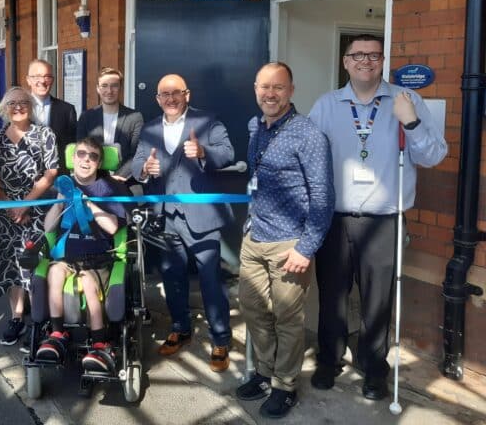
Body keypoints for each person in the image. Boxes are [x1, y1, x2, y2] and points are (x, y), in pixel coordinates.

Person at [309, 35, 447, 400]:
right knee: (332, 296)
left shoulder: (407, 100)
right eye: (358, 55)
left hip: (385, 221)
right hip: (335, 220)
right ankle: (329, 359)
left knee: (377, 301)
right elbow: (307, 158)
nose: (365, 61)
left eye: (373, 55)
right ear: (346, 61)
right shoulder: (326, 105)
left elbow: (434, 156)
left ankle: (373, 368)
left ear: (383, 60)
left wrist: (412, 123)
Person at [235, 62, 334, 418]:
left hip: (289, 244)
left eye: (278, 87)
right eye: (264, 87)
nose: (270, 94)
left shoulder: (308, 135)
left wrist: (306, 248)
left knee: (287, 319)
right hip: (254, 238)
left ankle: (285, 385)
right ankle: (264, 371)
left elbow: (323, 197)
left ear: (291, 90)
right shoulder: (254, 127)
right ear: (255, 89)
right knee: (254, 310)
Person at [131, 74, 235, 372]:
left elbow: (227, 153)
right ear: (157, 98)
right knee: (172, 277)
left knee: (210, 279)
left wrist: (203, 152)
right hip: (165, 216)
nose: (171, 98)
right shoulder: (150, 128)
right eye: (165, 94)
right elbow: (138, 161)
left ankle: (220, 339)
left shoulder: (207, 121)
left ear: (187, 94)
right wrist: (144, 169)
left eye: (177, 92)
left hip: (201, 216)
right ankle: (181, 328)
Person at [35, 137, 128, 373]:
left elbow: (113, 228)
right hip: (67, 257)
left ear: (99, 162)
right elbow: (48, 229)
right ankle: (57, 333)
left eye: (93, 156)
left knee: (87, 281)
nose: (86, 159)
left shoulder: (109, 189)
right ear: (73, 158)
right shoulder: (63, 186)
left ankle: (100, 343)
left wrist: (91, 206)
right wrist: (59, 203)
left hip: (97, 258)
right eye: (81, 154)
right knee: (54, 271)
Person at [0, 86, 59, 346]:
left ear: (31, 106)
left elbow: (50, 173)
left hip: (38, 208)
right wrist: (11, 206)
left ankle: (41, 320)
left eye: (23, 102)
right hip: (7, 212)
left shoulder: (44, 134)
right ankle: (17, 317)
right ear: (4, 108)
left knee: (36, 262)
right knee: (10, 265)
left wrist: (25, 204)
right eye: (12, 103)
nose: (18, 107)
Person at [76, 67, 143, 182]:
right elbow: (81, 151)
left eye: (114, 86)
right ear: (98, 88)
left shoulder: (135, 117)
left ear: (120, 88)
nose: (109, 91)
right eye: (104, 86)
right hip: (92, 182)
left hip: (125, 182)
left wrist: (114, 179)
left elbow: (136, 154)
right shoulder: (86, 117)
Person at [26, 59, 77, 171]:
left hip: (58, 177)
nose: (43, 81)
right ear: (28, 80)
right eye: (37, 77)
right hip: (26, 177)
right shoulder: (19, 108)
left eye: (47, 76)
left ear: (52, 80)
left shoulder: (67, 110)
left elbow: (71, 146)